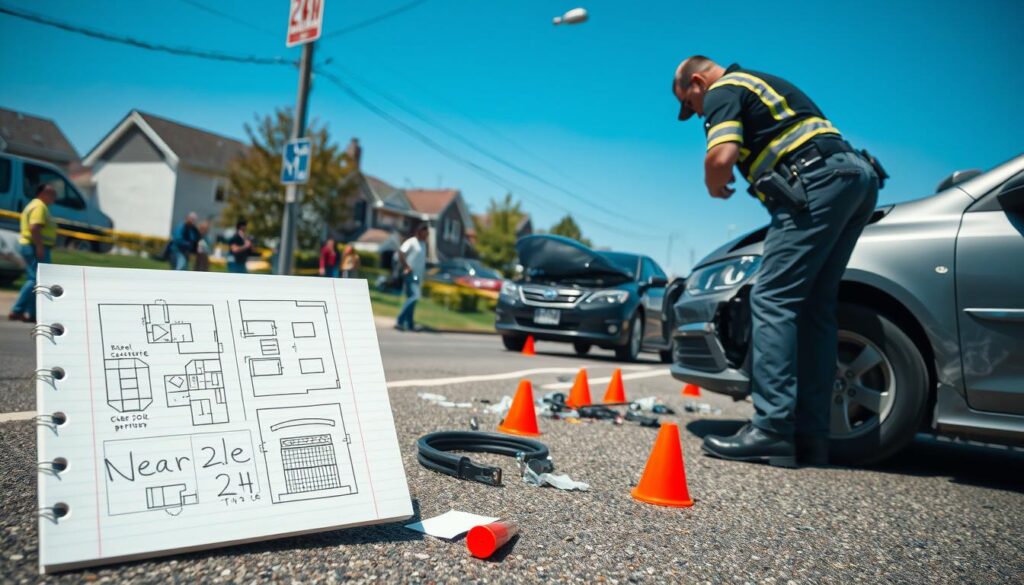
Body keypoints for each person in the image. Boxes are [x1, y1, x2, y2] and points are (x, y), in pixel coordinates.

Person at [673, 56, 882, 467]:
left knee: (771, 299)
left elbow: (721, 156)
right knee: (815, 309)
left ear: (697, 82)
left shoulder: (723, 89)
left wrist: (714, 180)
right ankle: (810, 437)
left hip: (816, 180)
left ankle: (770, 430)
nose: (696, 112)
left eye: (690, 104)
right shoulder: (761, 84)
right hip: (853, 177)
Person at [8, 184, 57, 323]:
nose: (54, 196)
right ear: (41, 193)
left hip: (32, 245)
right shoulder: (39, 207)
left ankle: (32, 313)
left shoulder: (35, 205)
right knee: (35, 279)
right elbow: (34, 227)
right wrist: (40, 246)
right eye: (51, 193)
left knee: (37, 280)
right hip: (35, 246)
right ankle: (18, 310)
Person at [395, 222, 429, 332]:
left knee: (413, 301)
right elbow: (401, 252)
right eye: (425, 232)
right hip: (411, 275)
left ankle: (409, 324)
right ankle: (400, 321)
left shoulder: (423, 244)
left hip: (418, 276)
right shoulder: (412, 242)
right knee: (415, 296)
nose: (427, 234)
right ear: (420, 231)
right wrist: (406, 266)